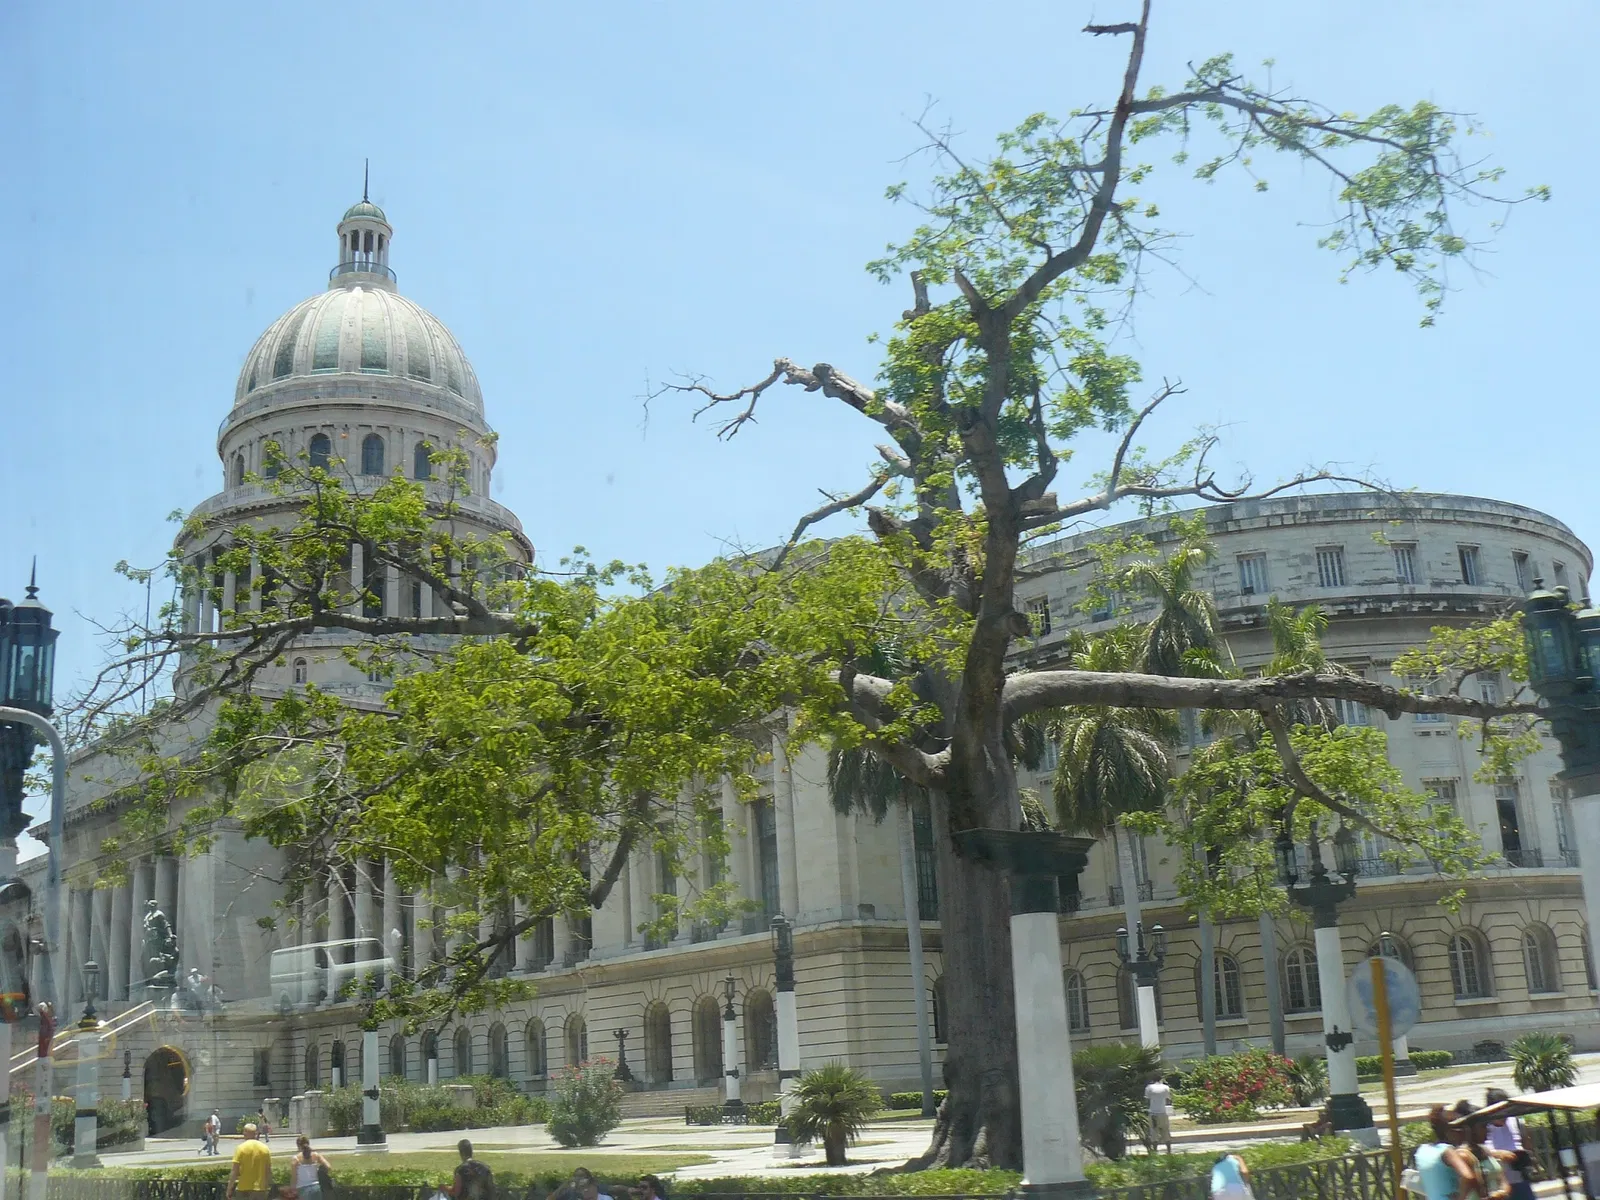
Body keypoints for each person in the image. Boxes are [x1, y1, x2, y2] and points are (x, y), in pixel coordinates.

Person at [1413, 1105, 1479, 1200]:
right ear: (1449, 1129)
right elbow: (1468, 1176)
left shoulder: (1422, 1150)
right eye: (1459, 1129)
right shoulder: (1446, 1151)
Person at [1484, 1089, 1533, 1200]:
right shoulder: (1483, 1127)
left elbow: (1527, 1145)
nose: (1504, 1116)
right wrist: (1497, 1154)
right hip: (1497, 1186)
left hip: (1520, 1179)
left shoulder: (1517, 1122)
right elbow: (1476, 1151)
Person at [1455, 1101, 1504, 1200]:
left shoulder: (1485, 1151)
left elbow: (1502, 1179)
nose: (1488, 1130)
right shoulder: (1462, 1155)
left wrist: (1503, 1191)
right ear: (1470, 1128)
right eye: (1483, 1126)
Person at [226, 1123, 272, 1200]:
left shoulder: (240, 1148)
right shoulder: (265, 1148)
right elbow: (268, 1170)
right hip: (260, 1189)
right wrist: (268, 1186)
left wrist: (229, 1188)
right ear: (256, 1133)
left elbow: (234, 1171)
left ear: (245, 1133)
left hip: (243, 1188)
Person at [290, 1135, 333, 1200]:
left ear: (298, 1146)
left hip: (302, 1188)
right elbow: (328, 1167)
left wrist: (292, 1189)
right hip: (316, 1187)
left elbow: (294, 1178)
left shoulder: (296, 1159)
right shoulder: (316, 1155)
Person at [1144, 1077, 1173, 1154]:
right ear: (1161, 1079)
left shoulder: (1149, 1087)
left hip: (1153, 1113)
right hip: (1163, 1113)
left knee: (1154, 1132)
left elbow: (1147, 1100)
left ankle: (1155, 1151)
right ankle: (1169, 1151)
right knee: (1166, 1131)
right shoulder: (1165, 1087)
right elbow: (1168, 1099)